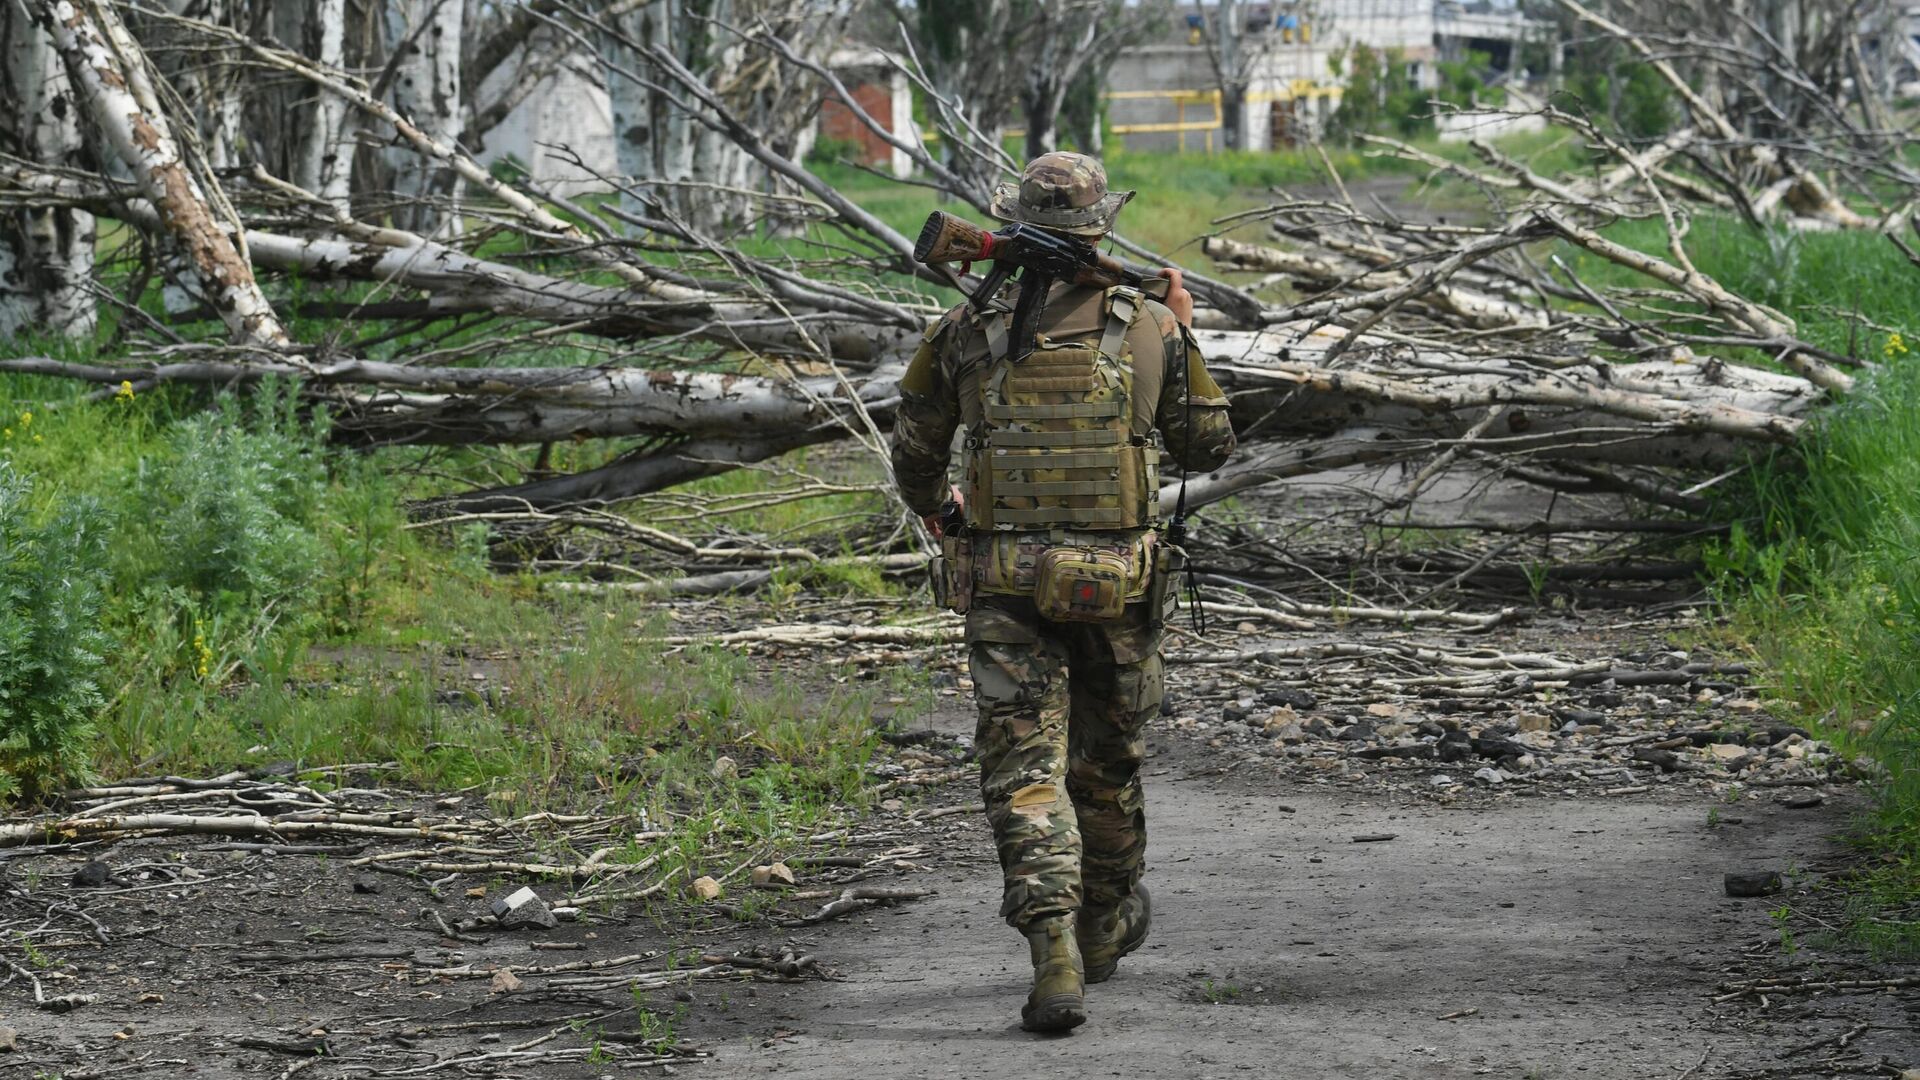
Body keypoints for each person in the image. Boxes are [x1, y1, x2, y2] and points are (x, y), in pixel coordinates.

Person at [890, 152, 1236, 1033]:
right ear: (1096, 228)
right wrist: (1184, 330)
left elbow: (916, 457)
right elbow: (1206, 449)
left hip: (1005, 590)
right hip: (1117, 587)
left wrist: (942, 512)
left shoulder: (965, 327)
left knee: (1023, 775)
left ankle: (1054, 958)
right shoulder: (1148, 324)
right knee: (1107, 766)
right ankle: (1104, 926)